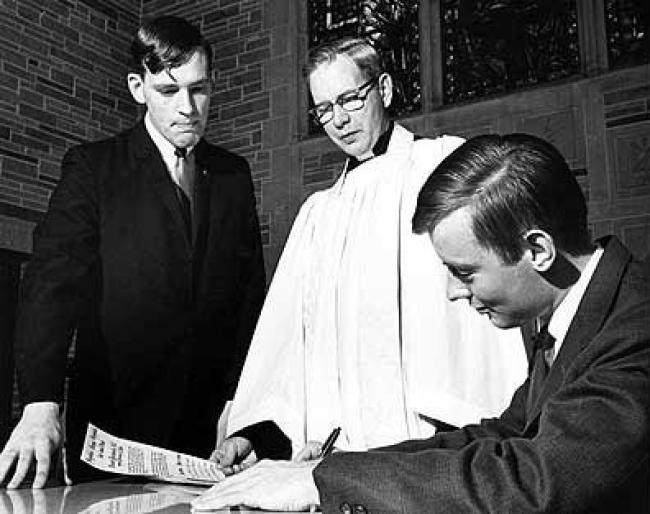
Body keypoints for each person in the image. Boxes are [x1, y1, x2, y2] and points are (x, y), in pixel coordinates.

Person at [192, 133, 649, 513]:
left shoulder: (637, 326)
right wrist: (331, 469)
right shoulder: (581, 313)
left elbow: (535, 483)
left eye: (465, 272)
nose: (453, 291)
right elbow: (497, 437)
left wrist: (324, 482)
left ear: (538, 251)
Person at [213, 37, 526, 469]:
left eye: (350, 100)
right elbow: (286, 341)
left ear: (384, 88)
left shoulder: (442, 167)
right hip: (334, 455)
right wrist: (256, 433)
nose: (338, 120)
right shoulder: (318, 215)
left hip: (429, 446)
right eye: (324, 109)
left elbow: (482, 314)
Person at [0, 15, 265, 488]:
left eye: (199, 89)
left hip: (211, 439)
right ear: (137, 87)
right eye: (168, 90)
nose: (188, 107)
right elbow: (50, 285)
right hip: (116, 432)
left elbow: (248, 300)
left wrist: (240, 403)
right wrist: (41, 401)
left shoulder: (233, 176)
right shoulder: (92, 169)